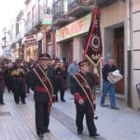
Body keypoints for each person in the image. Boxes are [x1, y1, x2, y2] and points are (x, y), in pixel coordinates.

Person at [29, 54, 55, 139]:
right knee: (39, 113)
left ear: (48, 61)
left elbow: (53, 83)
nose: (44, 62)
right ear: (40, 61)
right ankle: (40, 131)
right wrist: (38, 90)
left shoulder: (52, 70)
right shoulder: (35, 71)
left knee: (47, 112)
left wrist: (53, 94)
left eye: (46, 60)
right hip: (39, 95)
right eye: (42, 60)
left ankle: (45, 127)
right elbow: (31, 84)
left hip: (48, 95)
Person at [71, 59, 99, 138]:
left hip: (89, 99)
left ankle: (92, 132)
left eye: (88, 65)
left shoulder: (90, 75)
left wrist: (96, 74)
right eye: (86, 66)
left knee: (90, 116)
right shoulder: (75, 77)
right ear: (81, 67)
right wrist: (78, 98)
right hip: (80, 100)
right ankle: (79, 129)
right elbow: (73, 89)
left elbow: (96, 82)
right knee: (80, 116)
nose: (88, 67)